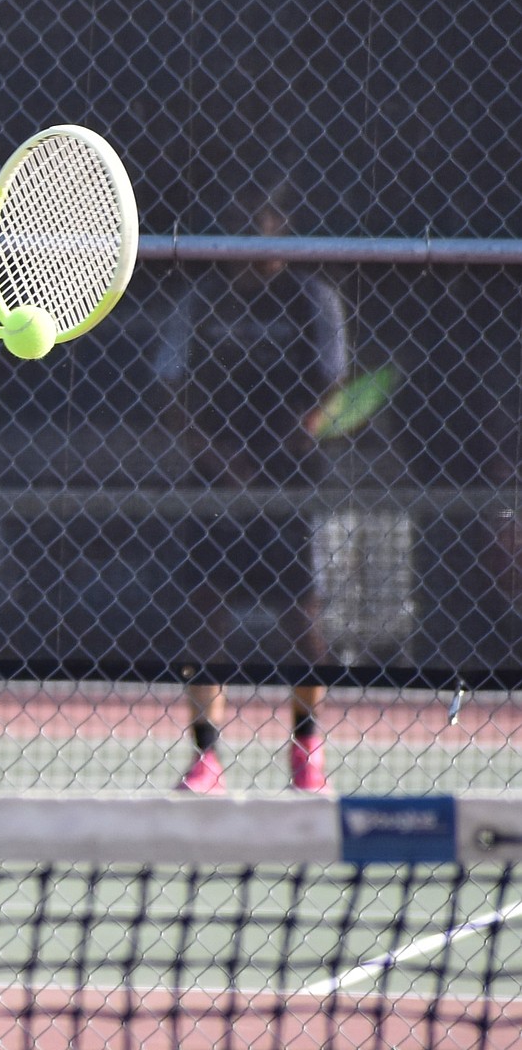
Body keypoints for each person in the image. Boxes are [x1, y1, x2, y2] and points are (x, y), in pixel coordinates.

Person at [161, 188, 348, 796]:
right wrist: (220, 459)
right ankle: (207, 757)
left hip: (290, 483)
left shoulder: (312, 300)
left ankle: (305, 747)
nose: (255, 250)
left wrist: (279, 455)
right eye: (243, 236)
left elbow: (330, 391)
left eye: (266, 236)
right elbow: (172, 396)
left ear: (283, 237)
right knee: (205, 615)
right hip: (214, 483)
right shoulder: (200, 302)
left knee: (302, 620)